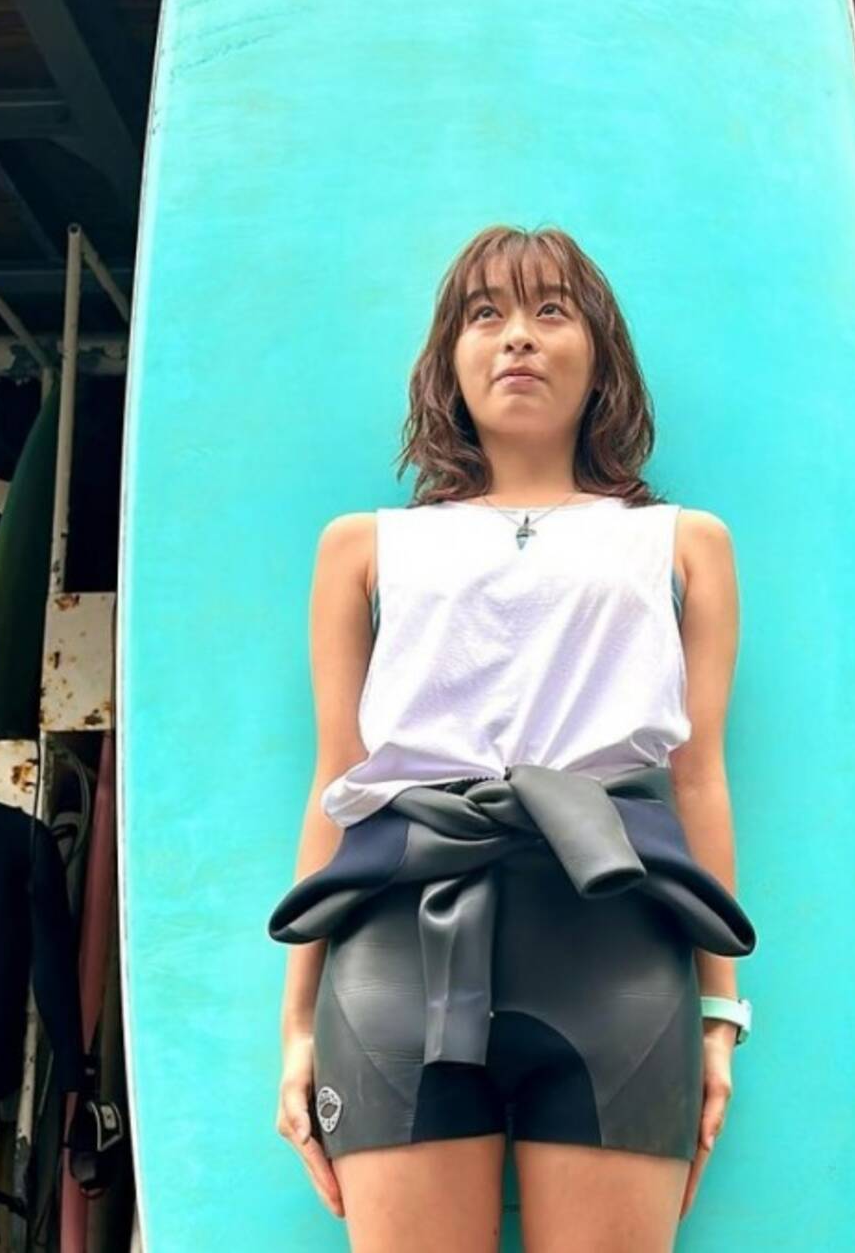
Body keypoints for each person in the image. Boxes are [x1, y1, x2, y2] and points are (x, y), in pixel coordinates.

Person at [270, 224, 755, 1251]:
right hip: (395, 956)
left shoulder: (683, 544)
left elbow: (698, 782)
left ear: (601, 357)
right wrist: (297, 1024)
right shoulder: (363, 549)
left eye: (551, 311)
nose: (518, 337)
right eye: (485, 314)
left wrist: (722, 1015)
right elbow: (339, 779)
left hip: (617, 958)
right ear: (450, 360)